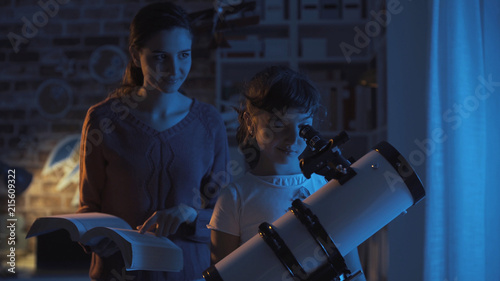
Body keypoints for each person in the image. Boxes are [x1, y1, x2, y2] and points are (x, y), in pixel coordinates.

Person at [78, 2, 229, 280]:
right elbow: (89, 207)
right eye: (161, 57)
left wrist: (190, 214)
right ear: (136, 56)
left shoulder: (209, 123)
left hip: (190, 273)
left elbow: (223, 217)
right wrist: (90, 236)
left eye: (184, 55)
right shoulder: (103, 119)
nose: (175, 69)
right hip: (119, 273)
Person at [207, 65, 366, 280]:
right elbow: (223, 276)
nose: (292, 139)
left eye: (303, 126)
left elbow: (354, 271)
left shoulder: (329, 188)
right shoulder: (235, 199)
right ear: (250, 122)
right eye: (278, 124)